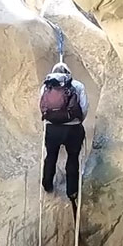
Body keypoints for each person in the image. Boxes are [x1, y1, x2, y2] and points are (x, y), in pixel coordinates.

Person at [39, 62, 88, 203]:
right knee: (73, 157)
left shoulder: (46, 86)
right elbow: (84, 107)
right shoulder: (77, 85)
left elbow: (42, 107)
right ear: (68, 72)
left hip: (52, 128)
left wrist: (50, 120)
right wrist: (78, 121)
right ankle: (72, 191)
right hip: (73, 128)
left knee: (51, 156)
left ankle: (47, 184)